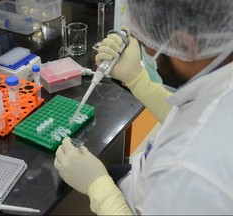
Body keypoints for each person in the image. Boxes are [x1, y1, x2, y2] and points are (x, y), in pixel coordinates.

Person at [54, 0, 233, 214]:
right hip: (140, 178)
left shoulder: (188, 173)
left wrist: (98, 186)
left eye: (147, 40)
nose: (145, 50)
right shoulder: (221, 75)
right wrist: (137, 80)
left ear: (184, 46)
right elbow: (193, 118)